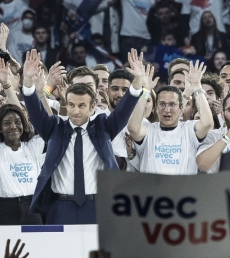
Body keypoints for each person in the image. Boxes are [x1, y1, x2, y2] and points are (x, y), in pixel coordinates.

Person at [21, 48, 145, 224]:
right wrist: (27, 81)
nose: (75, 111)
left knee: (97, 253)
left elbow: (124, 109)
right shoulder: (54, 127)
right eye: (71, 105)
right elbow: (34, 111)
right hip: (60, 206)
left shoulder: (104, 126)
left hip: (98, 206)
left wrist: (138, 80)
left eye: (81, 106)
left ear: (93, 106)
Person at [0, 83, 44, 225]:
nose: (13, 126)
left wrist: (41, 93)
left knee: (36, 246)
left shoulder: (34, 147)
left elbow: (51, 131)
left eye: (17, 122)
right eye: (7, 123)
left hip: (32, 208)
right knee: (6, 248)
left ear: (24, 125)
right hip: (4, 210)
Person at [128, 61, 212, 175]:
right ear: (156, 107)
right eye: (162, 104)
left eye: (172, 105)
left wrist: (197, 86)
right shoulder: (148, 129)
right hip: (151, 191)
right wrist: (146, 91)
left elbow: (207, 123)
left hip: (182, 192)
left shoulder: (189, 130)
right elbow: (133, 128)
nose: (167, 110)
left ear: (181, 108)